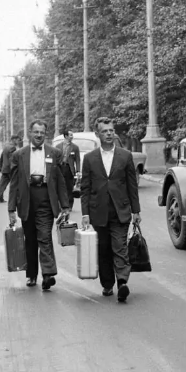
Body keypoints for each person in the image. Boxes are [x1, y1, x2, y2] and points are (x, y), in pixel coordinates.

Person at [80, 116, 141, 302]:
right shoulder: (89, 159)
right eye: (104, 131)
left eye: (111, 131)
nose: (108, 134)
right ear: (97, 134)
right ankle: (107, 284)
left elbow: (132, 186)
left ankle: (122, 283)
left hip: (120, 210)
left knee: (120, 247)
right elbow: (85, 188)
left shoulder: (125, 156)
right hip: (98, 212)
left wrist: (136, 211)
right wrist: (85, 213)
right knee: (104, 249)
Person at [8, 120, 70, 290]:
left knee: (44, 236)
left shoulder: (55, 153)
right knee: (30, 239)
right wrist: (11, 209)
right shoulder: (19, 155)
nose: (39, 135)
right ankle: (31, 275)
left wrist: (65, 205)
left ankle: (48, 274)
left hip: (46, 199)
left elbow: (60, 181)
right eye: (36, 132)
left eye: (42, 132)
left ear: (45, 134)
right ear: (30, 133)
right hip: (26, 200)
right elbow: (14, 183)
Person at [56, 128, 81, 210]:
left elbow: (77, 159)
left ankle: (70, 205)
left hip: (69, 169)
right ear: (66, 136)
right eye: (70, 135)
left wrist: (78, 171)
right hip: (60, 167)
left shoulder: (75, 147)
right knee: (60, 186)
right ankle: (61, 204)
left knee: (69, 187)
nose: (72, 137)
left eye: (72, 135)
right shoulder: (58, 146)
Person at [0, 134, 21, 203]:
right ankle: (15, 200)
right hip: (10, 170)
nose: (18, 142)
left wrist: (1, 167)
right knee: (14, 185)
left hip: (4, 169)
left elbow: (1, 158)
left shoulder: (6, 147)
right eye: (18, 140)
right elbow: (11, 160)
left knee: (2, 185)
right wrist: (14, 169)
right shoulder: (13, 148)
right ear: (14, 140)